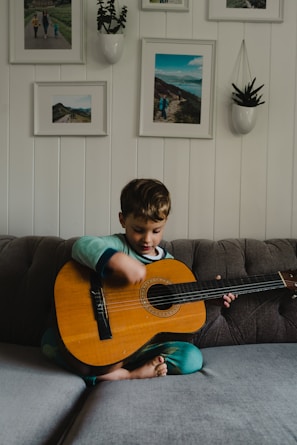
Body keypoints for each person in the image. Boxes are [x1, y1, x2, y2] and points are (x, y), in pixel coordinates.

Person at [42, 178, 237, 385]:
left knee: (191, 358)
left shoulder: (169, 266)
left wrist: (206, 298)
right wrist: (116, 260)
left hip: (141, 347)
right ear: (122, 220)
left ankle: (117, 370)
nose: (147, 239)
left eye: (156, 231)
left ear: (165, 223)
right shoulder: (117, 245)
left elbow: (177, 312)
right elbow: (81, 245)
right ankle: (124, 374)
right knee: (49, 342)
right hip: (104, 340)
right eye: (138, 229)